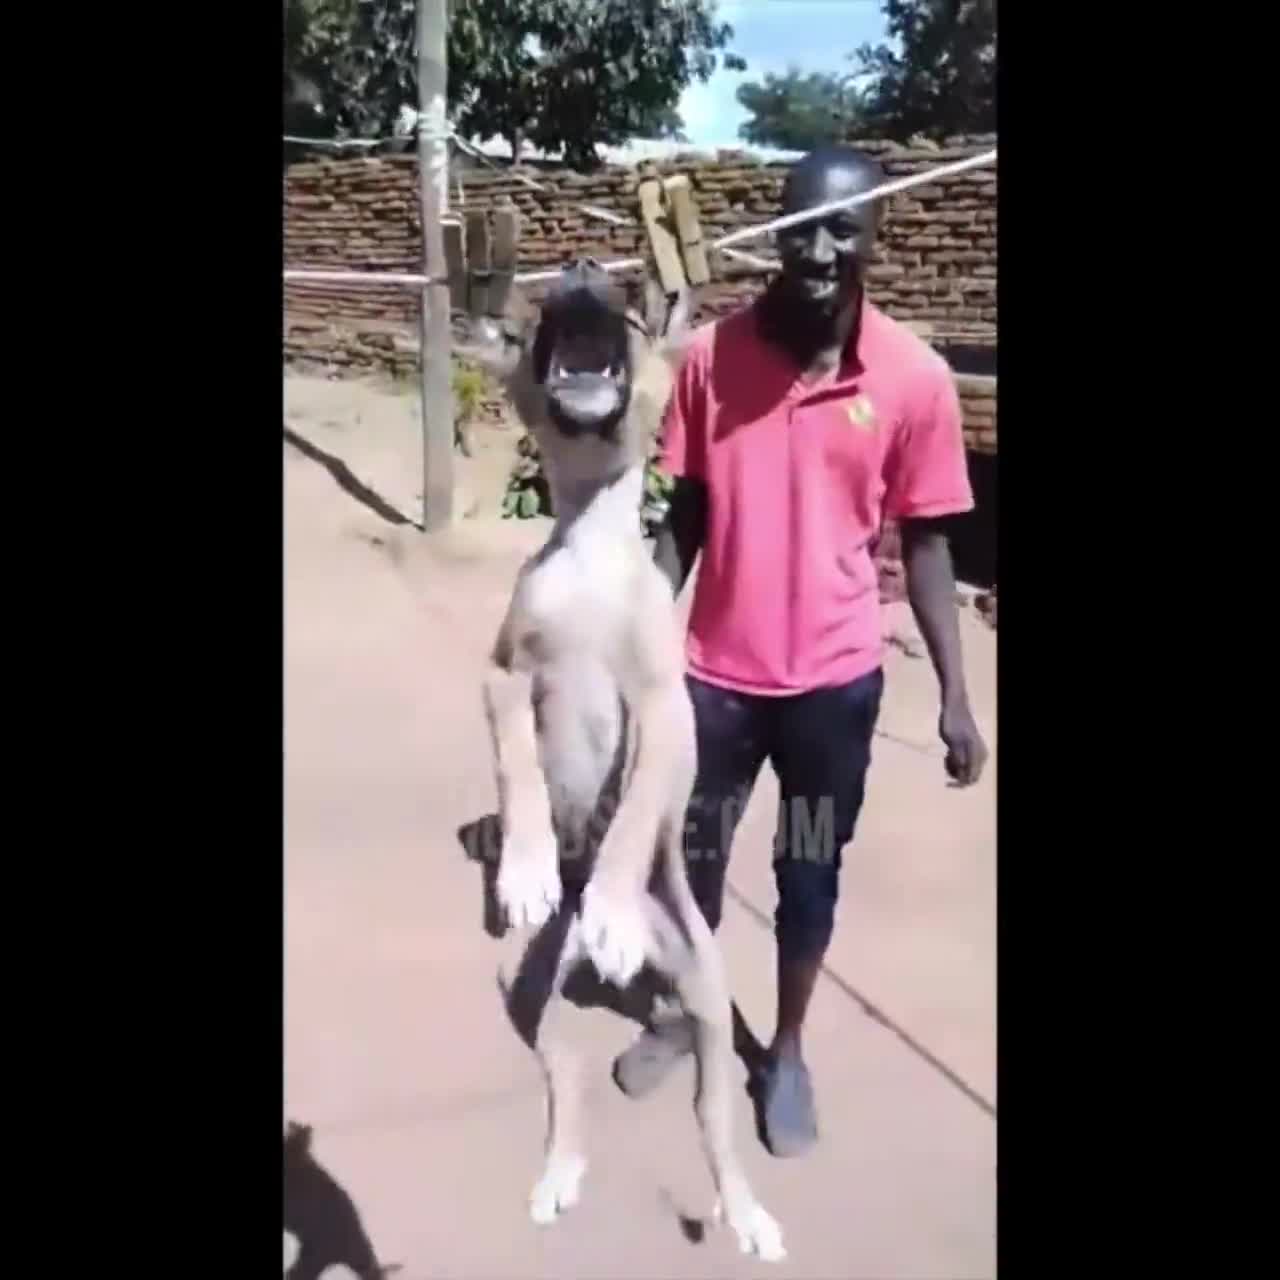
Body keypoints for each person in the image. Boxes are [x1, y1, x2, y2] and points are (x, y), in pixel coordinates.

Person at [612, 145, 989, 1158]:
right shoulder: (711, 360)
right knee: (691, 859)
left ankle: (784, 1051)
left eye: (841, 229)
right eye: (800, 228)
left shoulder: (912, 380)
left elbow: (926, 543)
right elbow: (685, 515)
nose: (818, 250)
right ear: (774, 233)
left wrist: (956, 696)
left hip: (829, 695)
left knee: (807, 866)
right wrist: (635, 635)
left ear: (874, 239)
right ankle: (680, 1011)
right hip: (715, 690)